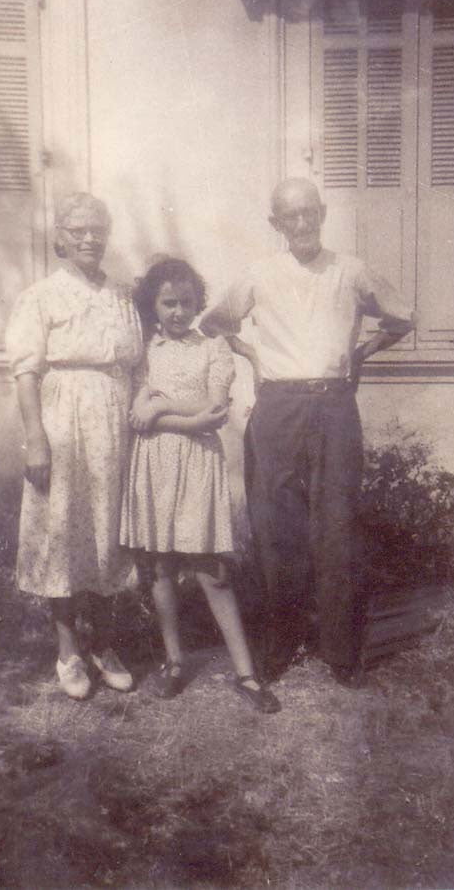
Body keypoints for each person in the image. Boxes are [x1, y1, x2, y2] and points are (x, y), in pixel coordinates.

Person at [200, 177, 415, 685]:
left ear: (322, 214)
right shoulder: (259, 274)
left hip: (334, 406)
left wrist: (360, 352)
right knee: (275, 527)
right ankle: (283, 640)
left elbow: (402, 317)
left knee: (336, 526)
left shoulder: (352, 270)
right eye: (289, 217)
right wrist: (251, 353)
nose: (301, 224)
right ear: (275, 224)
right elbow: (215, 323)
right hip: (276, 407)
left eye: (309, 213)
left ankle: (340, 651)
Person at [120, 257, 280, 713]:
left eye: (186, 303)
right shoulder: (144, 352)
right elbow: (136, 414)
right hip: (152, 464)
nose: (177, 312)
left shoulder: (213, 347)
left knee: (211, 568)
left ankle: (246, 673)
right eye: (168, 303)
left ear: (197, 304)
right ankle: (174, 662)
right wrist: (159, 413)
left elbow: (214, 409)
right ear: (153, 304)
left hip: (197, 465)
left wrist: (159, 409)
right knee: (161, 567)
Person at [6, 192, 143, 700]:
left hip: (115, 421)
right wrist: (35, 439)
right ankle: (68, 652)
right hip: (63, 419)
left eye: (97, 229)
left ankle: (104, 646)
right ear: (59, 236)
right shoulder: (41, 295)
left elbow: (135, 364)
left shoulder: (122, 297)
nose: (90, 238)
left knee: (109, 532)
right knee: (63, 530)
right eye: (78, 229)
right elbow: (26, 373)